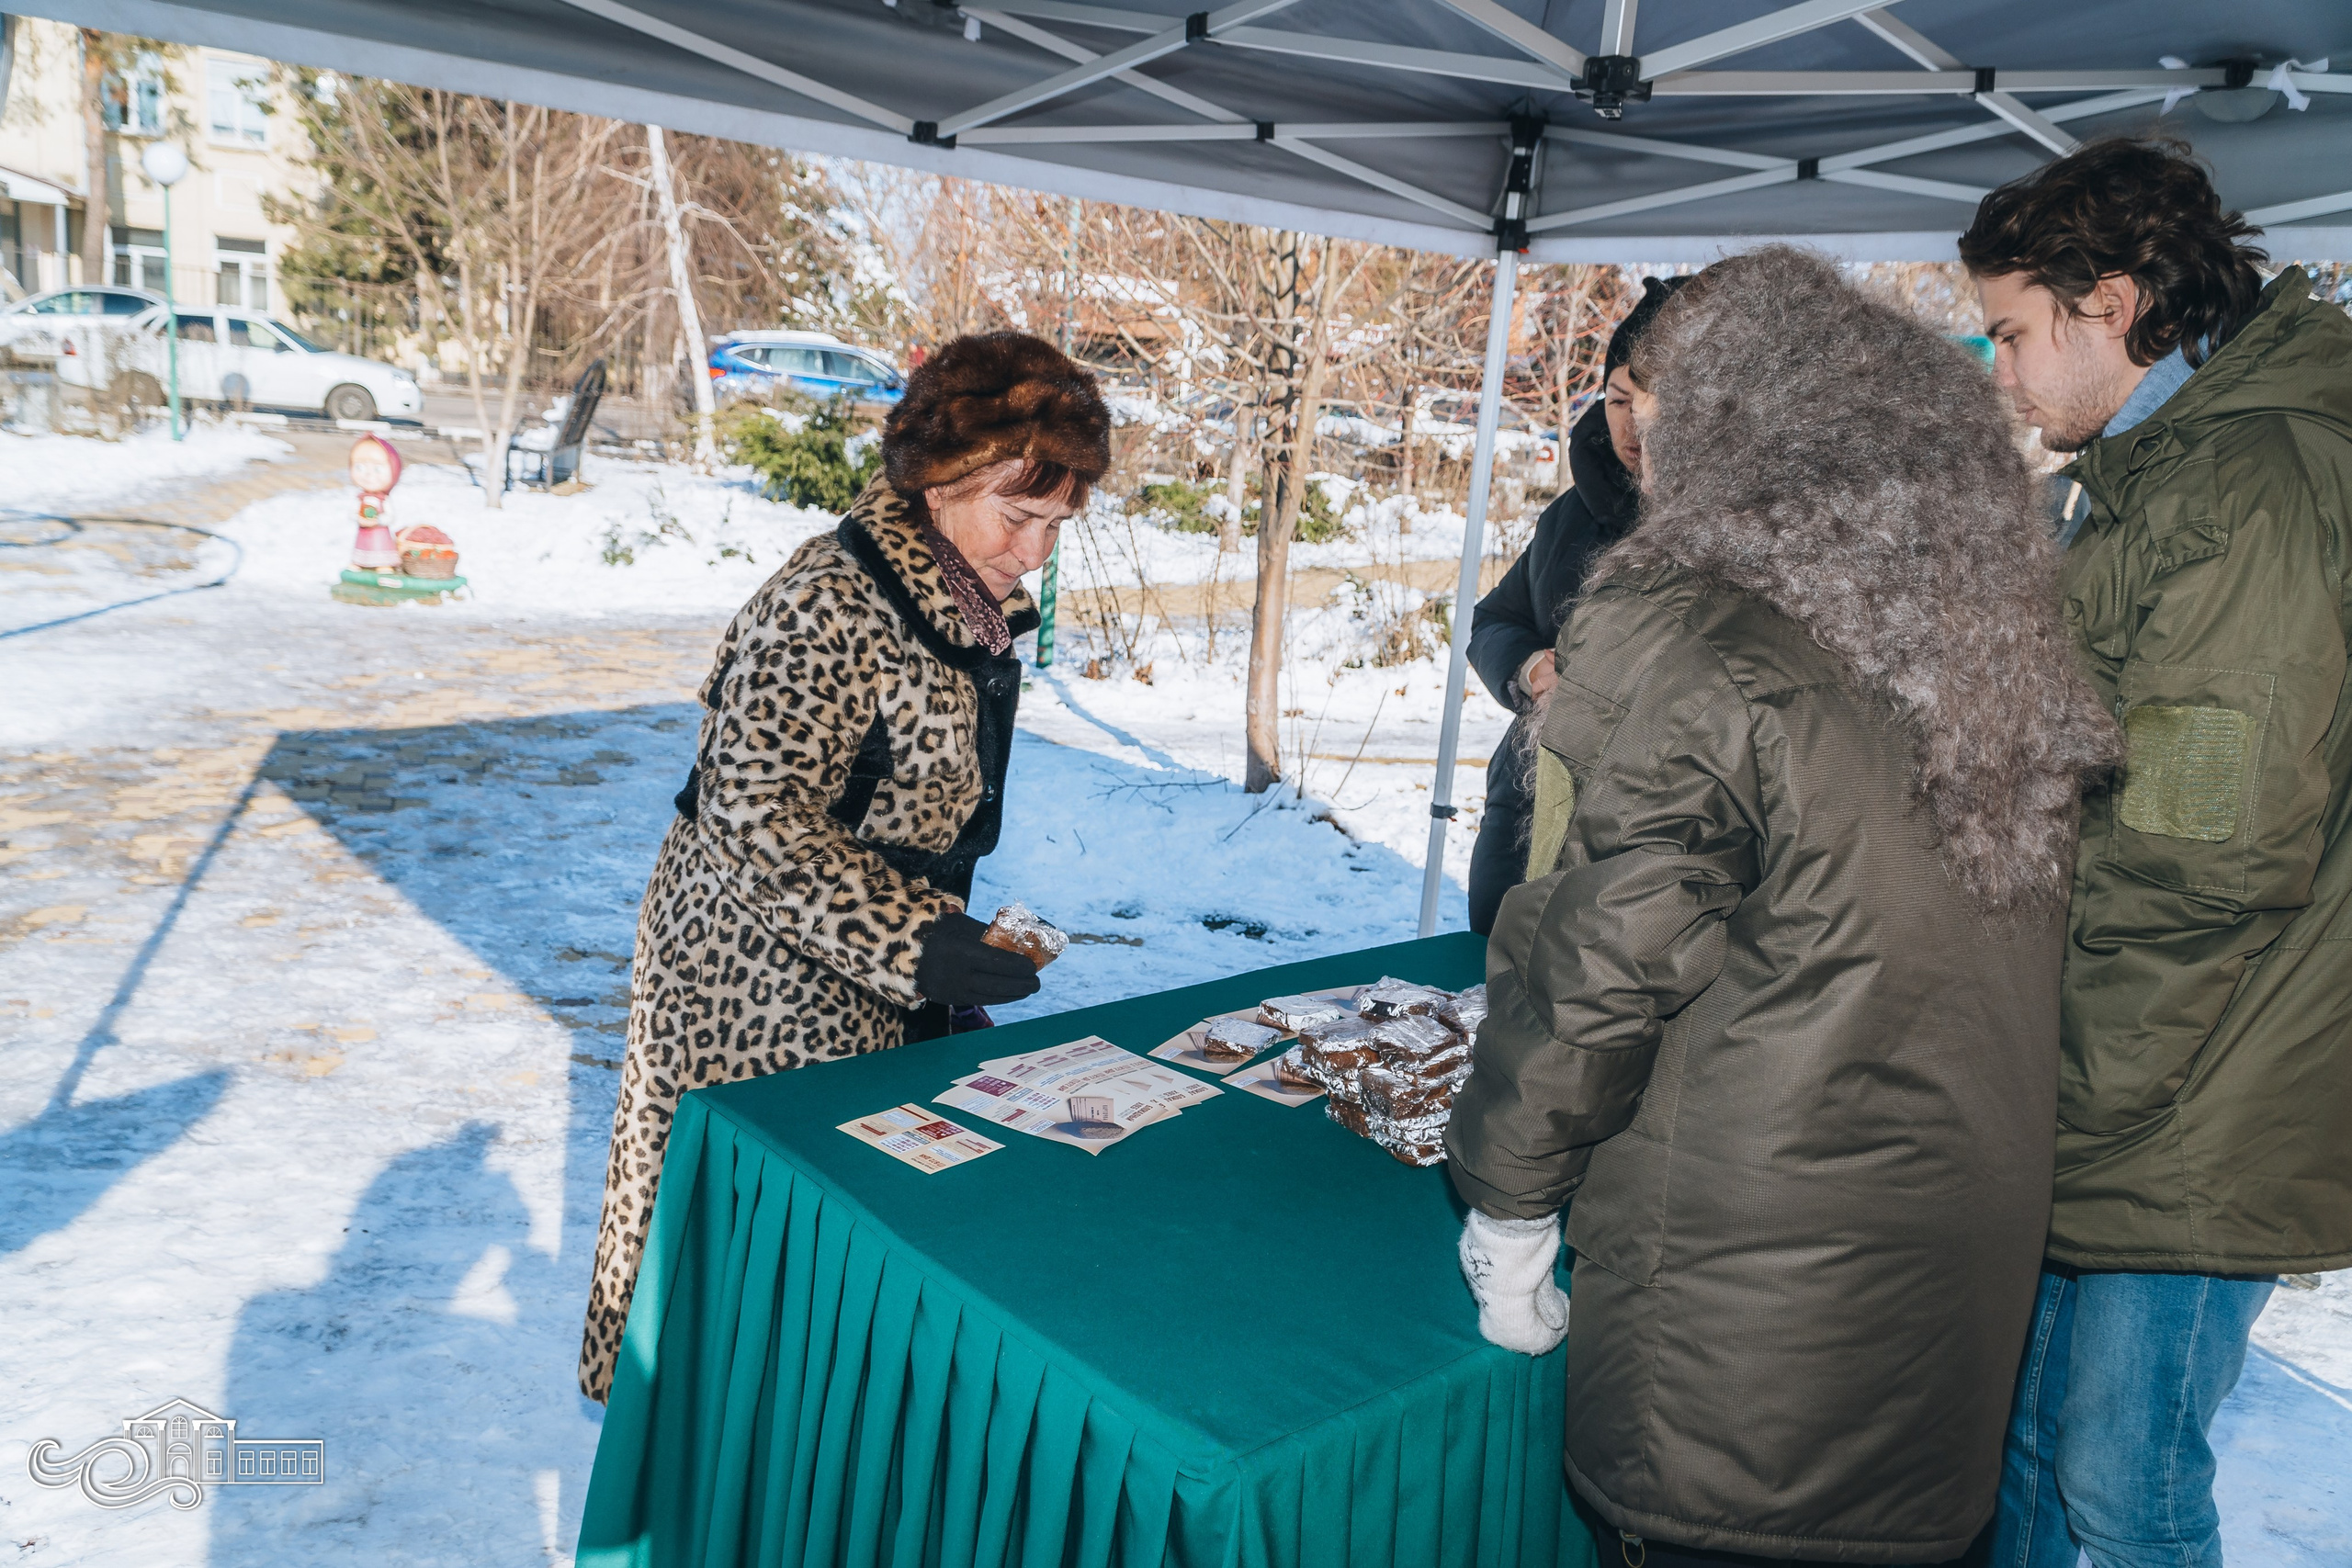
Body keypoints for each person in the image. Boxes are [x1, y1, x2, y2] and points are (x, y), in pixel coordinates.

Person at [1445, 248, 2120, 1565]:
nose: (1635, 437)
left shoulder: (1703, 634)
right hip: (1942, 1319)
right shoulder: (1991, 649)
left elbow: (1599, 961)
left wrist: (1508, 1200)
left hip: (1742, 1341)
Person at [577, 332, 1111, 1403]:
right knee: (742, 1247)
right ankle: (696, 1459)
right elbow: (752, 813)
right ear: (939, 480)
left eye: (1058, 523)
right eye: (1019, 515)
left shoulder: (964, 595)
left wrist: (937, 944)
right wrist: (914, 942)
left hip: (870, 971)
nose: (1037, 552)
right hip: (751, 976)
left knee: (842, 1254)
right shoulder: (828, 601)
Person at [1961, 136, 2352, 1568]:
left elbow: (2203, 850)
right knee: (2031, 1453)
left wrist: (2064, 1091)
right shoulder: (2163, 468)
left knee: (2120, 1485)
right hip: (2143, 1055)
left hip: (2189, 1088)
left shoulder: (2242, 488)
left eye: (2010, 333)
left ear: (2108, 302)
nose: (1999, 373)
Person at [1464, 275, 1685, 935]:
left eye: (1657, 407)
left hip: (1631, 850)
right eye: (1619, 400)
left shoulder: (1721, 537)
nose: (1631, 427)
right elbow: (1492, 620)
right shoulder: (1573, 514)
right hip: (1521, 815)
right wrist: (1529, 667)